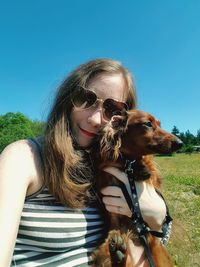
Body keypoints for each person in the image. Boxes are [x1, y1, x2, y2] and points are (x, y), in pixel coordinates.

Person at [0, 58, 168, 266]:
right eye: (86, 98)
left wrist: (157, 217)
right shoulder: (24, 158)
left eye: (112, 108)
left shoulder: (122, 166)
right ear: (68, 99)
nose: (96, 119)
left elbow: (153, 241)